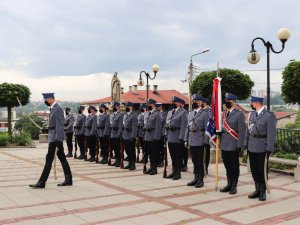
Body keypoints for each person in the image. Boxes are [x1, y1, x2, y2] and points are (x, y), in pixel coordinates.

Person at [29, 93, 72, 188]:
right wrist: (47, 129)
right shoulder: (53, 108)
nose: (45, 101)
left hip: (56, 138)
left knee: (50, 158)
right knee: (60, 157)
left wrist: (58, 138)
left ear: (51, 99)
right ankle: (68, 179)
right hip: (54, 136)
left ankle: (42, 182)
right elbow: (53, 124)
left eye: (46, 99)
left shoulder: (58, 108)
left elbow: (60, 124)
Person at [246, 96, 276, 201]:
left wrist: (269, 148)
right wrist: (246, 144)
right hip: (252, 146)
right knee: (254, 170)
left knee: (262, 170)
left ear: (257, 103)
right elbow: (249, 131)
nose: (251, 104)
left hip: (262, 147)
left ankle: (263, 191)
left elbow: (272, 133)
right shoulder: (252, 115)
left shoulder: (269, 116)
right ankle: (257, 189)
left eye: (252, 102)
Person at [220, 93, 246, 195]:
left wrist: (240, 145)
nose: (227, 102)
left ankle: (234, 185)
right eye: (226, 100)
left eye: (229, 100)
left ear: (234, 102)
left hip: (233, 143)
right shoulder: (223, 114)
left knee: (234, 166)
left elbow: (242, 131)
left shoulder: (239, 114)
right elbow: (222, 127)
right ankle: (229, 183)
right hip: (224, 143)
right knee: (227, 166)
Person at [185, 95, 208, 188]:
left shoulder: (205, 113)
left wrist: (206, 141)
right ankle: (195, 178)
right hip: (191, 138)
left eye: (196, 101)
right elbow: (188, 127)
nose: (194, 102)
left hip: (200, 139)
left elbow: (207, 128)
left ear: (201, 102)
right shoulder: (191, 113)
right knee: (194, 160)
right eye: (193, 101)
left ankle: (201, 179)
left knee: (200, 161)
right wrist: (186, 139)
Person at [165, 96, 188, 180]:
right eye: (172, 102)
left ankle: (178, 173)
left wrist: (181, 138)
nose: (172, 104)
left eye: (174, 102)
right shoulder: (170, 112)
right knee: (172, 156)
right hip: (170, 136)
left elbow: (184, 126)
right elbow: (167, 124)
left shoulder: (183, 112)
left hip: (177, 137)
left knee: (178, 156)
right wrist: (166, 135)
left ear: (178, 103)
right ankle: (174, 171)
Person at [143, 98, 162, 175]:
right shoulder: (147, 113)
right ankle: (151, 167)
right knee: (149, 153)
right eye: (147, 104)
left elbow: (158, 127)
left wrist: (156, 137)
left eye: (149, 104)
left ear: (154, 105)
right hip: (147, 136)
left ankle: (154, 169)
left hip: (153, 136)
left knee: (154, 154)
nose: (148, 106)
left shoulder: (157, 114)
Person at [122, 102, 138, 170]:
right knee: (127, 150)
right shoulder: (125, 115)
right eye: (125, 106)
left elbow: (134, 127)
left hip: (130, 135)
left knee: (131, 150)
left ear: (131, 107)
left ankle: (133, 164)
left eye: (127, 106)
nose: (126, 107)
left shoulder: (134, 115)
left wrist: (133, 136)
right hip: (125, 135)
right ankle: (129, 163)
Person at [109, 102, 124, 167]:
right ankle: (116, 160)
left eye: (114, 106)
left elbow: (120, 125)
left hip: (117, 133)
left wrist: (119, 134)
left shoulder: (120, 115)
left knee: (118, 148)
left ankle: (119, 161)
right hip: (112, 133)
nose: (113, 108)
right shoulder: (112, 115)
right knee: (114, 148)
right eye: (113, 107)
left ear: (118, 107)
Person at [202, 98, 211, 173]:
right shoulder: (203, 111)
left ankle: (205, 167)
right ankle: (204, 167)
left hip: (206, 135)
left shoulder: (211, 111)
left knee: (205, 152)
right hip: (205, 134)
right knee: (204, 152)